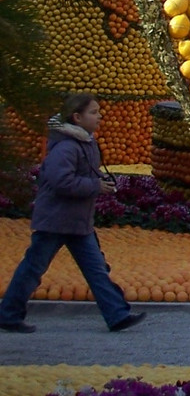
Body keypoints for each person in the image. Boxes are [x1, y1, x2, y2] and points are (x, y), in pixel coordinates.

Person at [0, 94, 146, 333]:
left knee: (96, 269)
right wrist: (95, 186)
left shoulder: (85, 143)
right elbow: (61, 181)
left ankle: (117, 315)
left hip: (77, 222)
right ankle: (8, 314)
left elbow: (83, 174)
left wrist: (100, 182)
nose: (99, 116)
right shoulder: (67, 146)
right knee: (33, 268)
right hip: (55, 222)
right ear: (77, 117)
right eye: (93, 112)